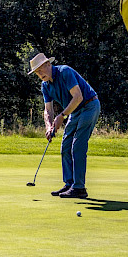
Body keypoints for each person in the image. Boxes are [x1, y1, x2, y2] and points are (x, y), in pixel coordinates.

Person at [28, 52, 101, 199]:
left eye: (41, 69)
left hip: (89, 105)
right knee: (65, 146)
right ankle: (69, 184)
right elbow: (47, 110)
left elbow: (78, 97)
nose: (40, 73)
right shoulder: (45, 86)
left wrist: (62, 116)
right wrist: (49, 126)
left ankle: (79, 187)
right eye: (37, 72)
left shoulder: (64, 72)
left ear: (49, 64)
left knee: (77, 146)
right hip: (75, 111)